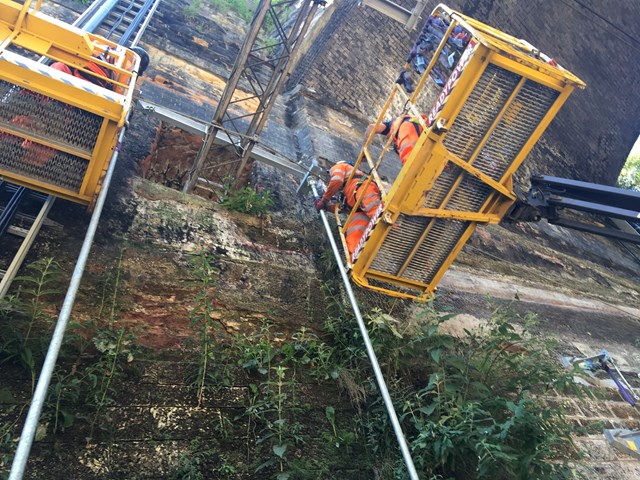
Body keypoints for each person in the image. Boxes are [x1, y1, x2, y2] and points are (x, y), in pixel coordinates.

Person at [315, 161, 382, 256]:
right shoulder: (347, 191)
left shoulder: (339, 166)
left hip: (363, 188)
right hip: (358, 208)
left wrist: (324, 200)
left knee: (378, 214)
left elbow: (337, 180)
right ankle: (354, 258)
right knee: (353, 234)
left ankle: (394, 230)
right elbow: (343, 208)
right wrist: (326, 207)